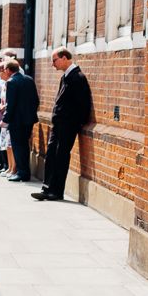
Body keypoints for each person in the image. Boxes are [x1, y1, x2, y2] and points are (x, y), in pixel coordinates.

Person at [32, 46, 92, 201]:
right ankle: (47, 189)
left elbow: (83, 104)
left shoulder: (77, 77)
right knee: (51, 155)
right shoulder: (65, 77)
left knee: (61, 156)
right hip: (58, 125)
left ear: (64, 58)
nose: (53, 65)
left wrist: (76, 123)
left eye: (54, 60)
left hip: (68, 125)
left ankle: (56, 191)